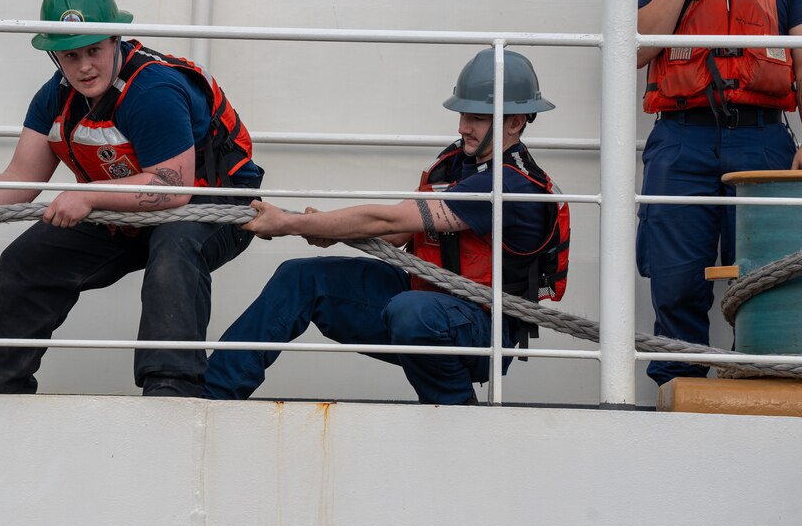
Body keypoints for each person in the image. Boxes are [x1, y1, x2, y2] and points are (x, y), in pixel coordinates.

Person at [0, 0, 264, 397]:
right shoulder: (54, 98)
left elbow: (172, 189)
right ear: (55, 57)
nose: (84, 66)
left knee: (175, 250)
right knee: (26, 260)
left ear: (116, 39)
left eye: (94, 50)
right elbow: (20, 177)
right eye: (70, 55)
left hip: (213, 207)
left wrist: (86, 195)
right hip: (126, 207)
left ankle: (171, 392)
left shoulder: (154, 90)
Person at [203, 49, 569, 405]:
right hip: (422, 300)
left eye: (476, 117)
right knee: (299, 277)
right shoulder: (456, 163)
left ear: (515, 122)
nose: (462, 127)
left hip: (481, 329)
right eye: (462, 115)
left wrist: (292, 223)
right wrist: (326, 229)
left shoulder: (513, 184)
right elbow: (397, 234)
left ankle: (456, 411)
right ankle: (212, 397)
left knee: (413, 312)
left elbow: (389, 219)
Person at [636, 0, 802, 386]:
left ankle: (757, 386)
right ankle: (675, 389)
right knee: (675, 277)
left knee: (764, 277)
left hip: (762, 141)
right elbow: (635, 51)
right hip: (680, 141)